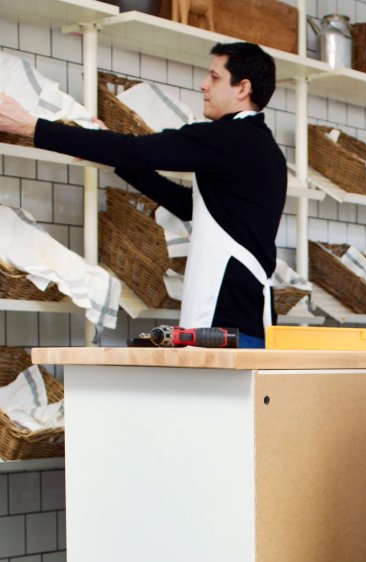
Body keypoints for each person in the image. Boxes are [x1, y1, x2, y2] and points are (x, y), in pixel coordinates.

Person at [0, 41, 287, 348]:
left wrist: (32, 127)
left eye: (214, 77)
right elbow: (184, 203)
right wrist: (107, 153)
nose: (203, 85)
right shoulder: (263, 148)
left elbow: (136, 150)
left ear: (242, 88)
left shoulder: (229, 138)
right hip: (248, 316)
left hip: (225, 318)